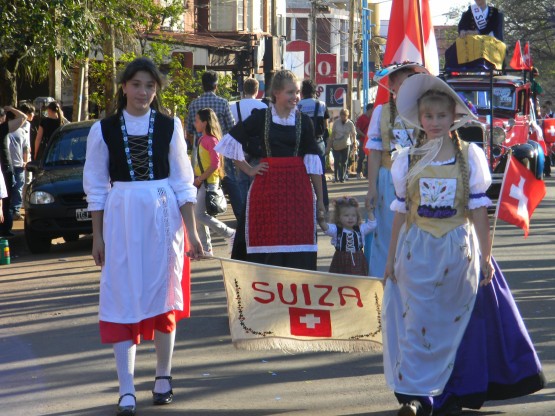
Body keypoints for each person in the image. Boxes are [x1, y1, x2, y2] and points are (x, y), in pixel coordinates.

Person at [383, 73, 545, 416]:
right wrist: (390, 259)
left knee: (454, 323)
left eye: (442, 116)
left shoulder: (469, 156)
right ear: (420, 117)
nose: (435, 122)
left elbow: (478, 211)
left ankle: (451, 392)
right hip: (417, 251)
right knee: (416, 322)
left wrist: (486, 255)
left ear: (454, 117)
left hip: (458, 248)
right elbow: (400, 213)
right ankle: (416, 395)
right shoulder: (406, 159)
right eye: (429, 116)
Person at [83, 57, 203, 416]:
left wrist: (194, 233)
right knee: (122, 297)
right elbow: (95, 187)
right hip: (121, 217)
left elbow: (183, 183)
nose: (143, 92)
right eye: (136, 84)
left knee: (162, 294)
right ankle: (126, 388)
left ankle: (163, 376)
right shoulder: (102, 130)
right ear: (123, 87)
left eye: (150, 86)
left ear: (157, 90)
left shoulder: (170, 126)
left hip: (162, 217)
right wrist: (97, 236)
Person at [215, 69, 325, 270]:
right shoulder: (261, 118)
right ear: (276, 93)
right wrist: (249, 170)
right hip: (267, 189)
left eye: (297, 92)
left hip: (297, 190)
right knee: (265, 238)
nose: (296, 97)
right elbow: (229, 143)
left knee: (296, 238)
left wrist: (320, 201)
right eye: (290, 92)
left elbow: (313, 164)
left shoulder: (304, 122)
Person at [365, 62, 429, 278]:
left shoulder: (425, 113)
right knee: (386, 231)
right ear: (392, 86)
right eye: (402, 83)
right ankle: (383, 280)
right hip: (388, 179)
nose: (408, 88)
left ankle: (414, 279)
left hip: (419, 180)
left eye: (412, 83)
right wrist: (371, 187)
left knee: (417, 232)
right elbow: (374, 153)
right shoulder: (381, 113)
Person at [186, 71, 239, 219]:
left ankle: (204, 215)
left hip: (200, 149)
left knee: (201, 183)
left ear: (202, 86)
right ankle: (240, 217)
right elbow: (232, 126)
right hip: (221, 148)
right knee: (230, 182)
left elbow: (189, 130)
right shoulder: (223, 103)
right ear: (216, 86)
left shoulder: (194, 104)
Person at [193, 108, 235, 256]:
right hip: (204, 182)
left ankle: (229, 233)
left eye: (197, 120)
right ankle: (206, 249)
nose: (194, 123)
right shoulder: (203, 139)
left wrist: (200, 178)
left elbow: (215, 164)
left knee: (198, 215)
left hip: (208, 182)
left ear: (205, 123)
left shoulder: (210, 140)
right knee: (199, 215)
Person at [229, 77, 267, 214]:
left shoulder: (233, 106)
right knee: (256, 182)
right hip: (258, 149)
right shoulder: (264, 107)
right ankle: (257, 210)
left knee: (241, 183)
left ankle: (245, 212)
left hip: (240, 150)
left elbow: (231, 129)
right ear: (257, 91)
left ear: (243, 90)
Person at [318, 196, 376, 276]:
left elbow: (372, 225)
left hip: (358, 260)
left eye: (353, 215)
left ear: (357, 217)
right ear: (338, 217)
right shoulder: (336, 230)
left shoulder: (360, 229)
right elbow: (326, 229)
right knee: (340, 281)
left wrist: (370, 212)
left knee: (357, 280)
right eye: (346, 215)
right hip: (340, 261)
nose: (350, 218)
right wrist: (321, 221)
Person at [298, 79, 331, 209]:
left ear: (302, 92)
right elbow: (325, 126)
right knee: (320, 173)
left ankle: (304, 203)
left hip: (302, 144)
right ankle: (323, 203)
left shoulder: (298, 106)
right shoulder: (321, 104)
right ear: (314, 91)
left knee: (302, 175)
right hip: (318, 142)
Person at [0, 106, 27, 237]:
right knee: (6, 201)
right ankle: (5, 228)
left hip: (5, 168)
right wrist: (11, 108)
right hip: (5, 169)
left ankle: (5, 228)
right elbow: (23, 117)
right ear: (3, 118)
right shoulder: (3, 128)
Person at [9, 103, 35, 220]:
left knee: (18, 187)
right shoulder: (6, 128)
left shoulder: (23, 129)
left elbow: (25, 147)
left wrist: (25, 161)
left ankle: (16, 210)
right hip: (7, 164)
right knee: (10, 188)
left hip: (19, 163)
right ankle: (9, 210)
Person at [326, 108, 356, 183]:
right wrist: (329, 145)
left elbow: (353, 134)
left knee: (344, 161)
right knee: (337, 161)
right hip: (337, 144)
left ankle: (342, 177)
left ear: (347, 116)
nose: (343, 117)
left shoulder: (350, 123)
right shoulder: (336, 123)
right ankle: (336, 177)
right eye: (342, 116)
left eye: (345, 116)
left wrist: (355, 143)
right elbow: (333, 134)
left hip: (346, 144)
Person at [355, 103, 374, 179]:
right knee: (362, 156)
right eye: (373, 108)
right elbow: (357, 128)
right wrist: (364, 135)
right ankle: (358, 172)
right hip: (363, 140)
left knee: (370, 157)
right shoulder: (362, 118)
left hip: (371, 140)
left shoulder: (373, 118)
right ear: (370, 109)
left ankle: (368, 173)